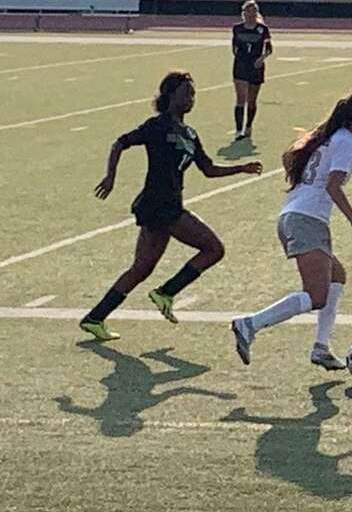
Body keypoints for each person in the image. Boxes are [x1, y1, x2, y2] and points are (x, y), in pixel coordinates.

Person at [79, 72, 263, 341]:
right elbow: (121, 142)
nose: (191, 99)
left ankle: (95, 318)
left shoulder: (189, 133)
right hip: (159, 205)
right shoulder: (158, 125)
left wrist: (241, 168)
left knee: (142, 268)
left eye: (193, 94)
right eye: (186, 93)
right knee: (213, 248)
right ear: (169, 96)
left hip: (168, 205)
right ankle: (166, 292)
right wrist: (111, 176)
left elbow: (208, 169)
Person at [232, 92, 352, 367]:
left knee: (336, 276)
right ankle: (249, 324)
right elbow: (333, 186)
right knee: (316, 296)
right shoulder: (345, 142)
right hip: (307, 220)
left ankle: (321, 346)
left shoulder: (328, 137)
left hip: (294, 215)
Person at [231, 0, 272, 140]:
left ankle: (248, 126)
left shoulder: (262, 29)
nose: (250, 14)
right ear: (244, 13)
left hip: (256, 66)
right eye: (248, 11)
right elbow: (234, 47)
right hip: (241, 66)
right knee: (240, 99)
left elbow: (269, 49)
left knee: (252, 100)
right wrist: (241, 58)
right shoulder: (237, 28)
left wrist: (261, 59)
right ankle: (238, 130)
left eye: (253, 11)